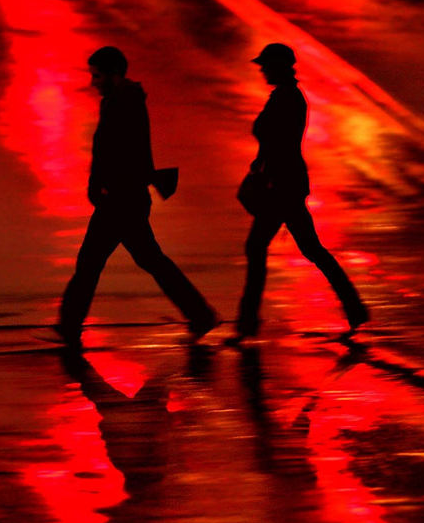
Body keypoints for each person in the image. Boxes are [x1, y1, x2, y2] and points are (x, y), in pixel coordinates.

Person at [56, 46, 219, 347]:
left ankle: (69, 327)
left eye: (97, 75)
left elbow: (120, 152)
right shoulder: (122, 100)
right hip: (125, 196)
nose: (94, 82)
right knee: (149, 260)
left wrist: (103, 185)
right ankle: (199, 314)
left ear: (114, 74)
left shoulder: (122, 104)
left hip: (120, 198)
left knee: (92, 262)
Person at [233, 43, 368, 342]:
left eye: (266, 65)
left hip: (281, 185)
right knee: (310, 249)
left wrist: (267, 175)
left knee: (259, 248)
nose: (262, 70)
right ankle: (355, 308)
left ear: (280, 66)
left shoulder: (287, 99)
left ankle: (247, 323)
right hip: (286, 184)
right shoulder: (285, 96)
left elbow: (279, 142)